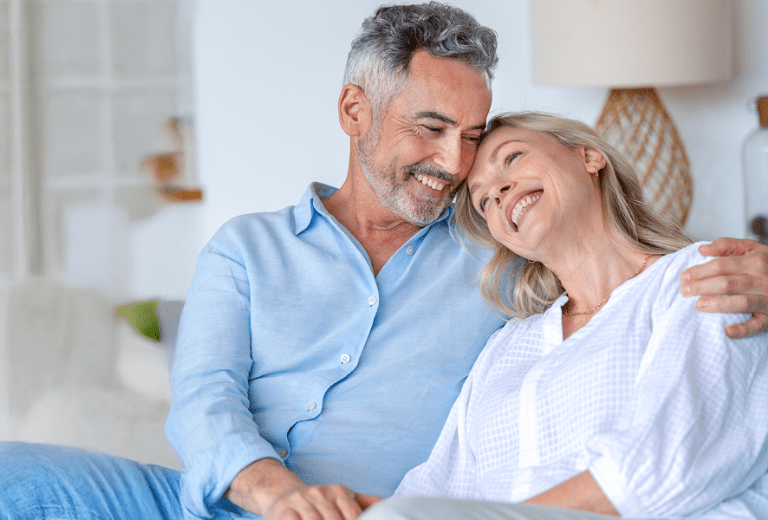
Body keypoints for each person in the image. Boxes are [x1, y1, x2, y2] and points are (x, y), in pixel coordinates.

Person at [1, 4, 767, 520]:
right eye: (432, 128)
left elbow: (636, 288)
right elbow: (204, 403)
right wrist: (278, 496)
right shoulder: (246, 248)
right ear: (354, 112)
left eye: (474, 137)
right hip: (221, 501)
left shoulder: (494, 249)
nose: (458, 164)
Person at [360, 112, 768, 520]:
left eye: (513, 158)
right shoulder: (507, 346)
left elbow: (668, 460)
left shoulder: (700, 275)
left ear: (588, 157)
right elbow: (441, 485)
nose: (498, 192)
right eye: (483, 200)